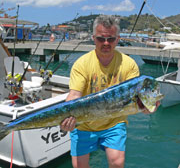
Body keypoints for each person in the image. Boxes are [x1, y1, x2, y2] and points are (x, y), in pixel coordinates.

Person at [60, 15, 160, 168]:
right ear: (93, 38)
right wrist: (65, 118)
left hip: (114, 122)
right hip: (84, 125)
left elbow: (137, 99)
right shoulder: (81, 64)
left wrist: (147, 108)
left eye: (111, 39)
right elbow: (74, 95)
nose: (106, 43)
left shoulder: (129, 64)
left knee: (117, 163)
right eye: (101, 39)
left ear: (118, 39)